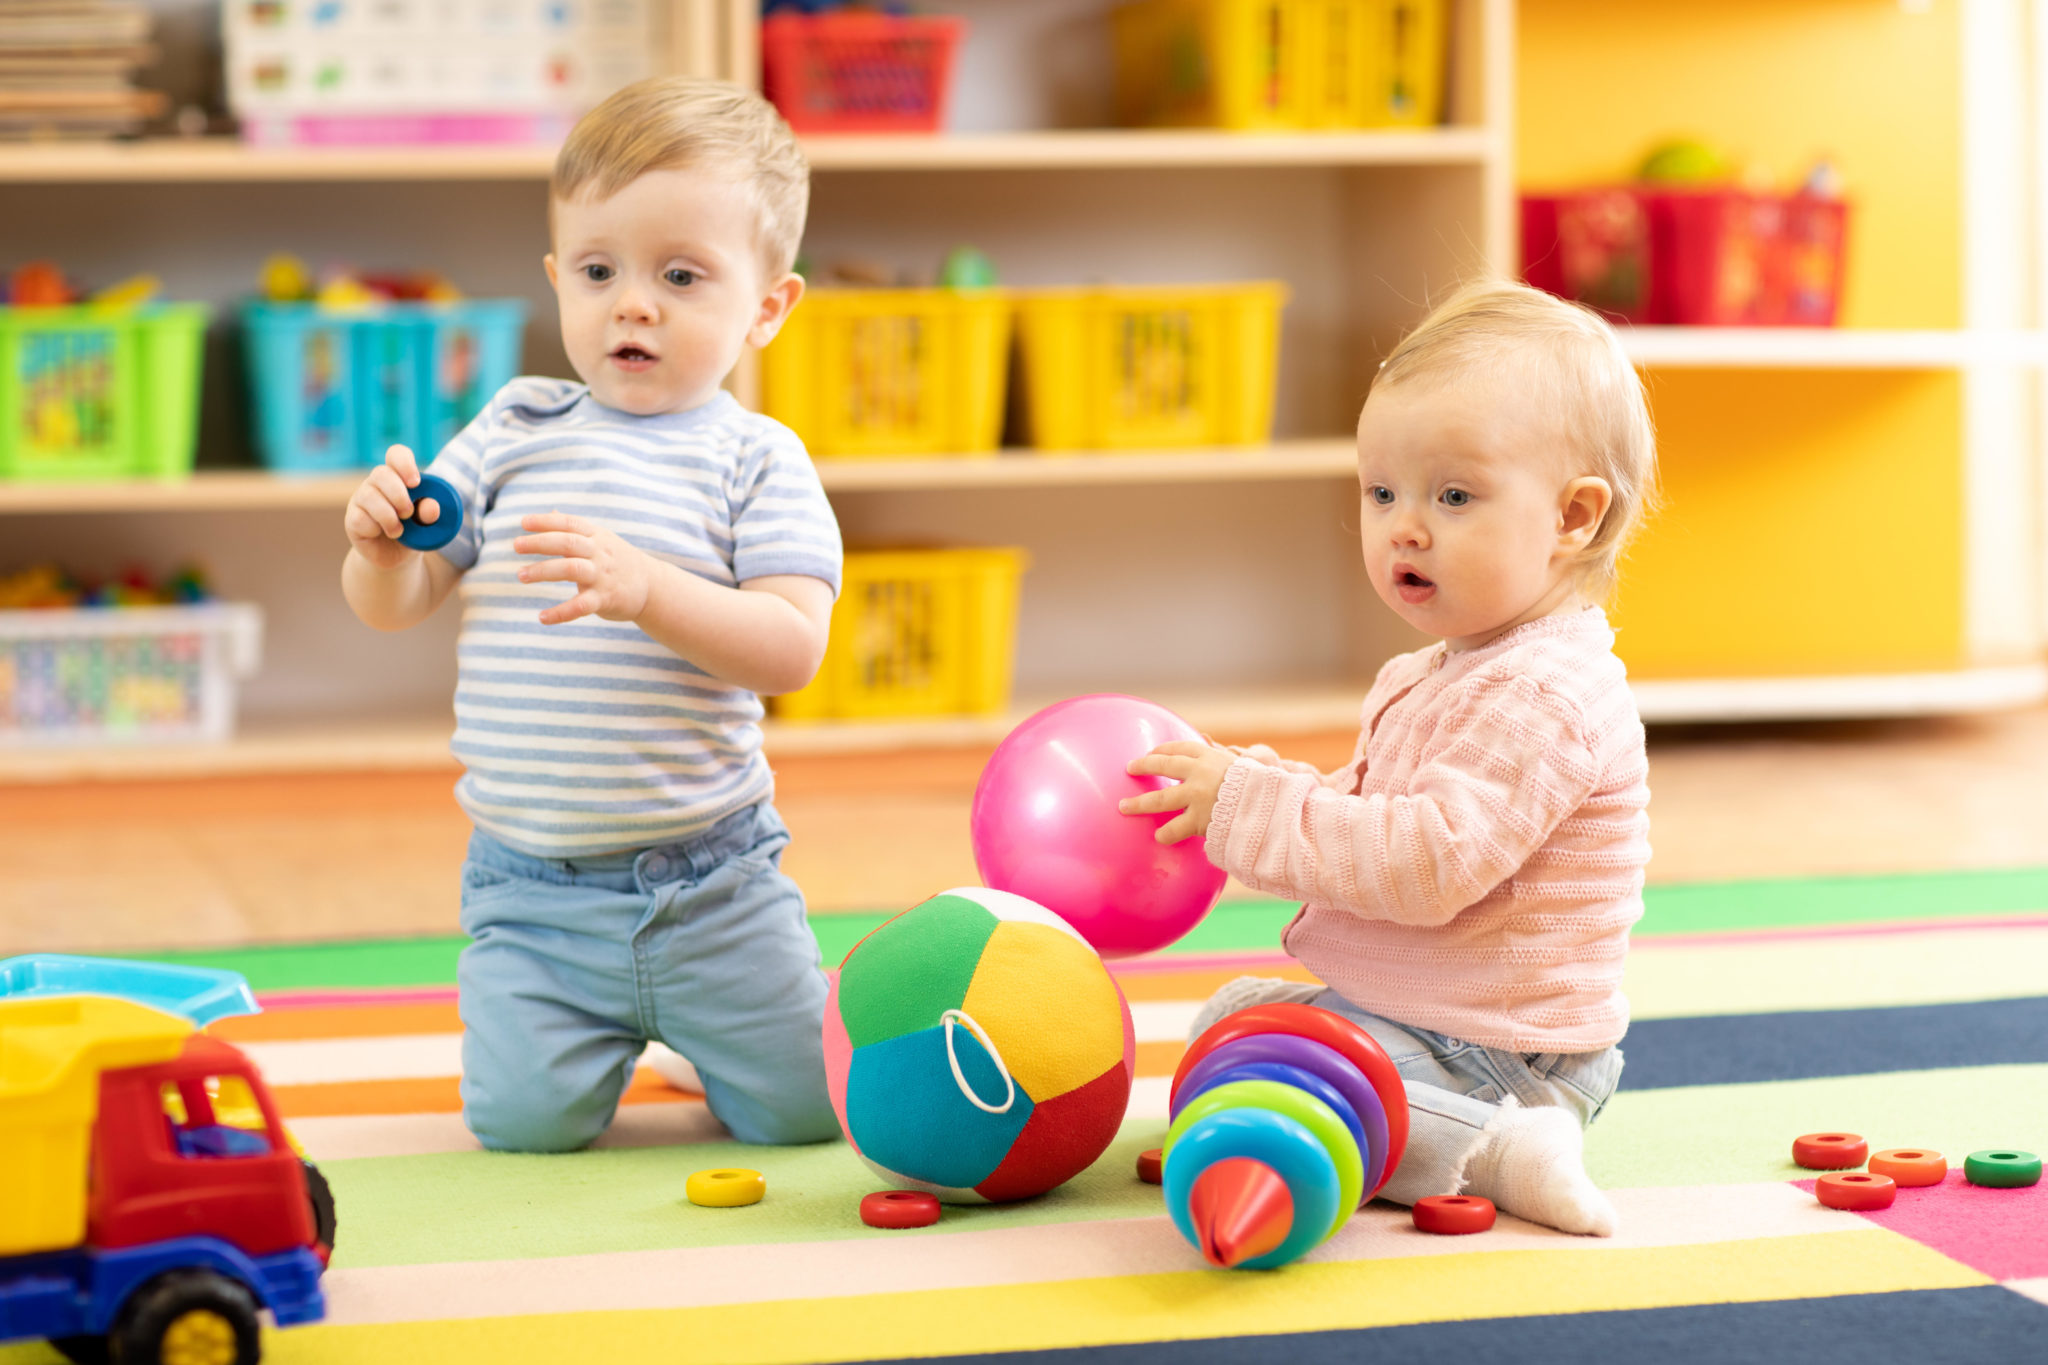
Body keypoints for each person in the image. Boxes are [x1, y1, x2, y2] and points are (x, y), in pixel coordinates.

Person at [340, 78, 841, 1153]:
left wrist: (652, 590)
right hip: (532, 896)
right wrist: (376, 549)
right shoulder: (512, 425)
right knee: (521, 1129)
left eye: (681, 275)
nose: (633, 304)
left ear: (766, 307)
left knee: (807, 1116)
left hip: (715, 887)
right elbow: (401, 602)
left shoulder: (757, 457)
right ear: (557, 278)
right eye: (599, 270)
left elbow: (793, 648)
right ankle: (600, 1032)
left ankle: (712, 1035)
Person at [1123, 280, 1656, 1235]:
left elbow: (1425, 863)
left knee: (1283, 1066)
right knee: (1229, 1022)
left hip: (1500, 1055)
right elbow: (1375, 808)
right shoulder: (1445, 669)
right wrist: (1263, 787)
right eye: (1381, 491)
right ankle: (1333, 1118)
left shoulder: (1544, 693)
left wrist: (1251, 807)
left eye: (1454, 495)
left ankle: (1495, 1147)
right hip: (1421, 1020)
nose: (1405, 525)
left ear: (1573, 518)